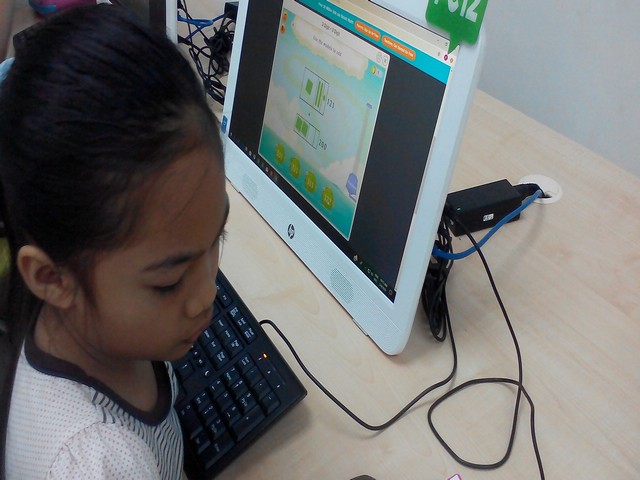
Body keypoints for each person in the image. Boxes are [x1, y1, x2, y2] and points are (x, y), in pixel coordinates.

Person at [0, 4, 228, 479]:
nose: (207, 296)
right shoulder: (98, 463)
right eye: (169, 282)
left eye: (217, 238)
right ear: (51, 278)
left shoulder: (90, 329)